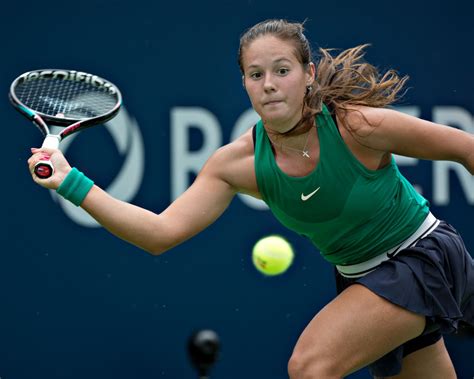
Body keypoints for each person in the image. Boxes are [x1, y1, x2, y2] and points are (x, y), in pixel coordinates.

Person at [28, 19, 474, 379]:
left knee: (310, 366)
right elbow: (159, 234)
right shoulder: (237, 164)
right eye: (256, 75)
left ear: (308, 74)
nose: (270, 85)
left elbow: (465, 148)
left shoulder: (356, 126)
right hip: (364, 278)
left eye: (282, 70)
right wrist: (70, 182)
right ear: (244, 83)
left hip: (422, 256)